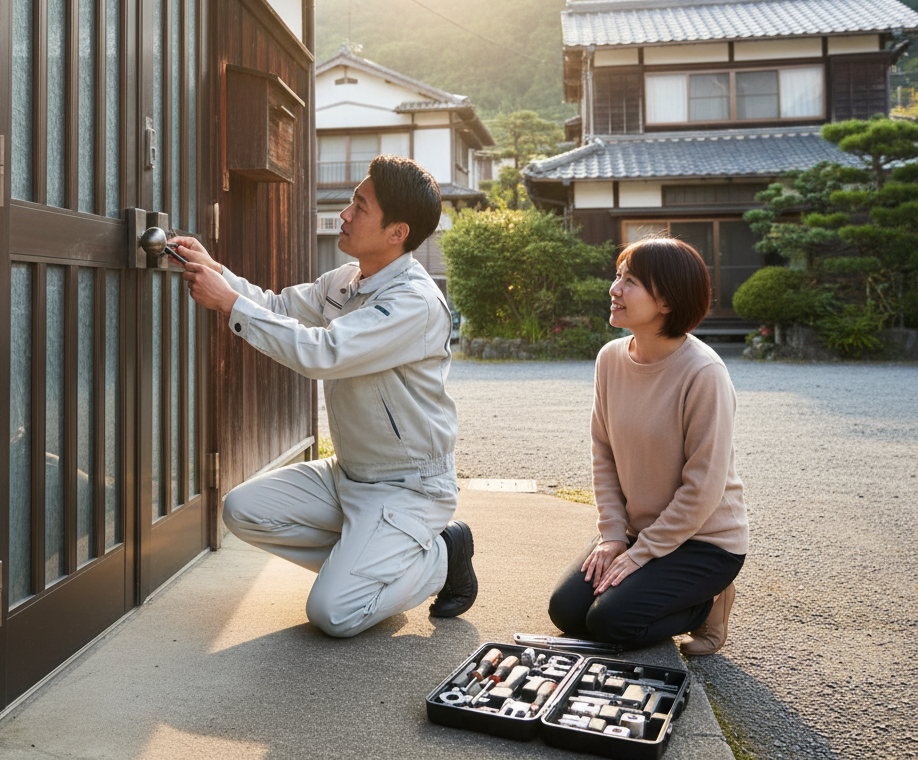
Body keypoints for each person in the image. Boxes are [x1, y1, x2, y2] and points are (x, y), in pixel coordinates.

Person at [169, 155, 477, 637]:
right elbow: (275, 306)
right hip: (347, 474)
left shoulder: (414, 302)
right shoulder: (345, 281)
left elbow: (324, 353)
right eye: (352, 200)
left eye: (361, 207)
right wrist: (216, 271)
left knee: (333, 613)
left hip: (407, 487)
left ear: (397, 233)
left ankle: (442, 552)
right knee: (242, 510)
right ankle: (367, 562)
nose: (345, 214)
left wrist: (228, 303)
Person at [548, 236, 748, 655]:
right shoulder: (610, 359)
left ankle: (707, 604)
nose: (614, 289)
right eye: (618, 276)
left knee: (611, 621)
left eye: (631, 281)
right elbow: (603, 453)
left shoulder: (704, 374)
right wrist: (612, 537)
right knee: (567, 611)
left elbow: (703, 489)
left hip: (705, 542)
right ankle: (654, 582)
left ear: (667, 302)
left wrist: (642, 555)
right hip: (639, 532)